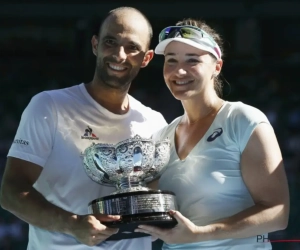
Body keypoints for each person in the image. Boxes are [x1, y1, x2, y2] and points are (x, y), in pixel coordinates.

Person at [0, 7, 168, 250]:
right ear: (95, 45)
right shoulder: (49, 106)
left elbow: (156, 197)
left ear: (146, 58)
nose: (119, 55)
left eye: (132, 47)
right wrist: (73, 224)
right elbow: (10, 192)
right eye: (110, 42)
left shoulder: (155, 123)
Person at [135, 18, 290, 249]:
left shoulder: (242, 120)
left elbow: (278, 212)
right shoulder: (161, 137)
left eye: (192, 60)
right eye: (172, 60)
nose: (179, 70)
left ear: (217, 67)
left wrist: (200, 234)